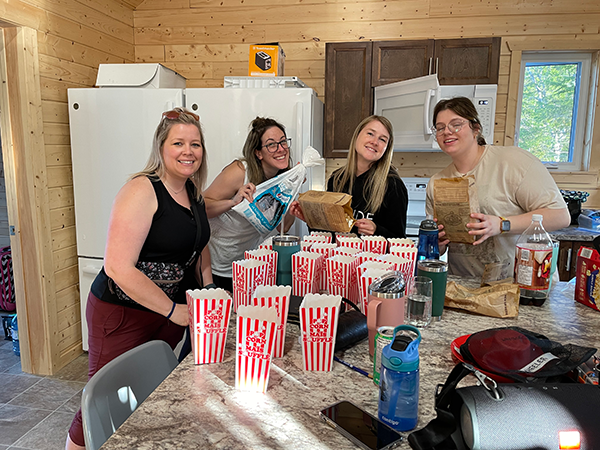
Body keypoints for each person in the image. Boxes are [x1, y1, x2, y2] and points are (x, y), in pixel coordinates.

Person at [66, 108, 213, 450]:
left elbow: (199, 246)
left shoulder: (193, 193)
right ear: (161, 147)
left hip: (167, 313)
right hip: (121, 314)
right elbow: (118, 266)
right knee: (102, 401)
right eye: (178, 143)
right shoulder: (142, 189)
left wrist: (207, 290)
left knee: (145, 391)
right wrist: (173, 311)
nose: (187, 151)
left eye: (195, 144)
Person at [425, 96, 570, 278]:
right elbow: (437, 249)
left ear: (475, 128)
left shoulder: (513, 162)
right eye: (440, 128)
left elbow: (560, 216)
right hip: (466, 288)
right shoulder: (437, 183)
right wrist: (438, 243)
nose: (447, 132)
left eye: (456, 124)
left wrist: (502, 224)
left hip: (522, 286)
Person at [204, 117, 295, 292]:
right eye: (271, 144)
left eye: (283, 142)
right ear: (258, 153)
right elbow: (202, 207)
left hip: (248, 267)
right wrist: (232, 202)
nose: (281, 149)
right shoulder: (240, 172)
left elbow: (283, 227)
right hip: (217, 266)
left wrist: (292, 198)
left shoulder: (284, 180)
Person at [290, 115, 408, 238]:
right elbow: (329, 234)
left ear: (386, 149)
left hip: (371, 257)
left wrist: (377, 230)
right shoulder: (337, 179)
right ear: (357, 135)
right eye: (370, 133)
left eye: (382, 139)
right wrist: (311, 219)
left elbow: (399, 240)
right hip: (338, 257)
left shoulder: (393, 186)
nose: (374, 142)